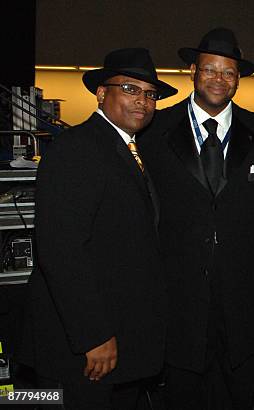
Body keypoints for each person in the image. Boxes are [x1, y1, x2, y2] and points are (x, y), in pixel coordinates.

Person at [20, 48, 177, 409]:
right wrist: (93, 336)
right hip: (84, 347)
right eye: (130, 89)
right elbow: (61, 251)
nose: (143, 101)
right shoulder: (77, 149)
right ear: (102, 93)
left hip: (120, 339)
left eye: (150, 94)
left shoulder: (128, 149)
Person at [138, 28, 254, 410]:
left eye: (228, 72)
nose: (219, 79)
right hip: (178, 300)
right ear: (193, 71)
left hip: (242, 301)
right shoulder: (154, 130)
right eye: (210, 69)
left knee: (238, 397)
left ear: (238, 79)